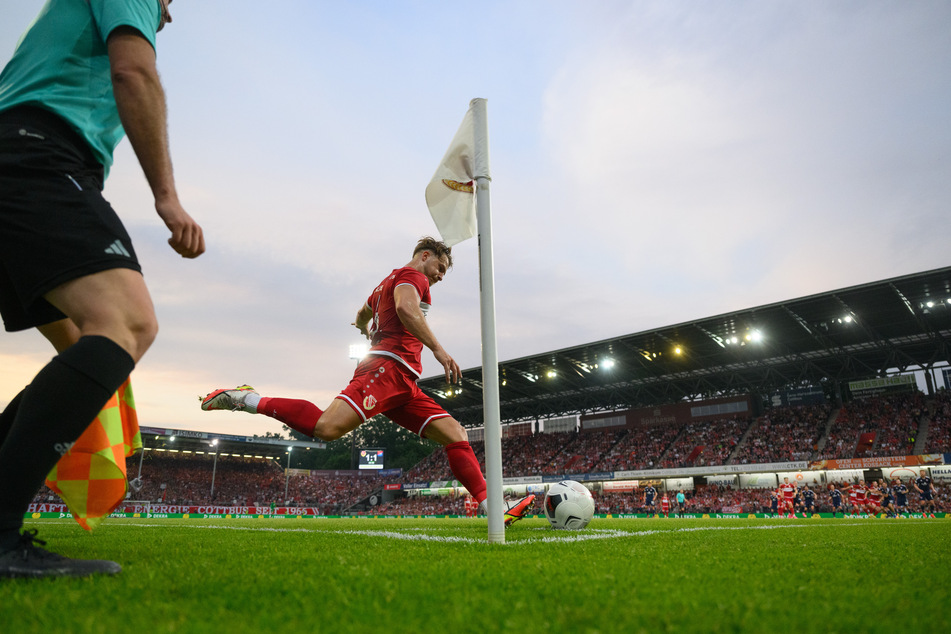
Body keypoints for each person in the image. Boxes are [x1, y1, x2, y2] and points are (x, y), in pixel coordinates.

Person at [0, 0, 203, 579]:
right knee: (128, 325)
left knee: (79, 345)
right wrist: (167, 196)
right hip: (38, 153)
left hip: (16, 156)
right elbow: (133, 71)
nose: (168, 11)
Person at [201, 237, 533, 527]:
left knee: (455, 434)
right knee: (326, 427)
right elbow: (405, 307)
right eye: (441, 266)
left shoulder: (382, 285)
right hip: (386, 370)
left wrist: (365, 329)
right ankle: (246, 399)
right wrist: (438, 350)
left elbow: (361, 313)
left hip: (403, 382)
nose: (441, 275)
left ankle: (493, 509)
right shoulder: (413, 276)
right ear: (424, 255)